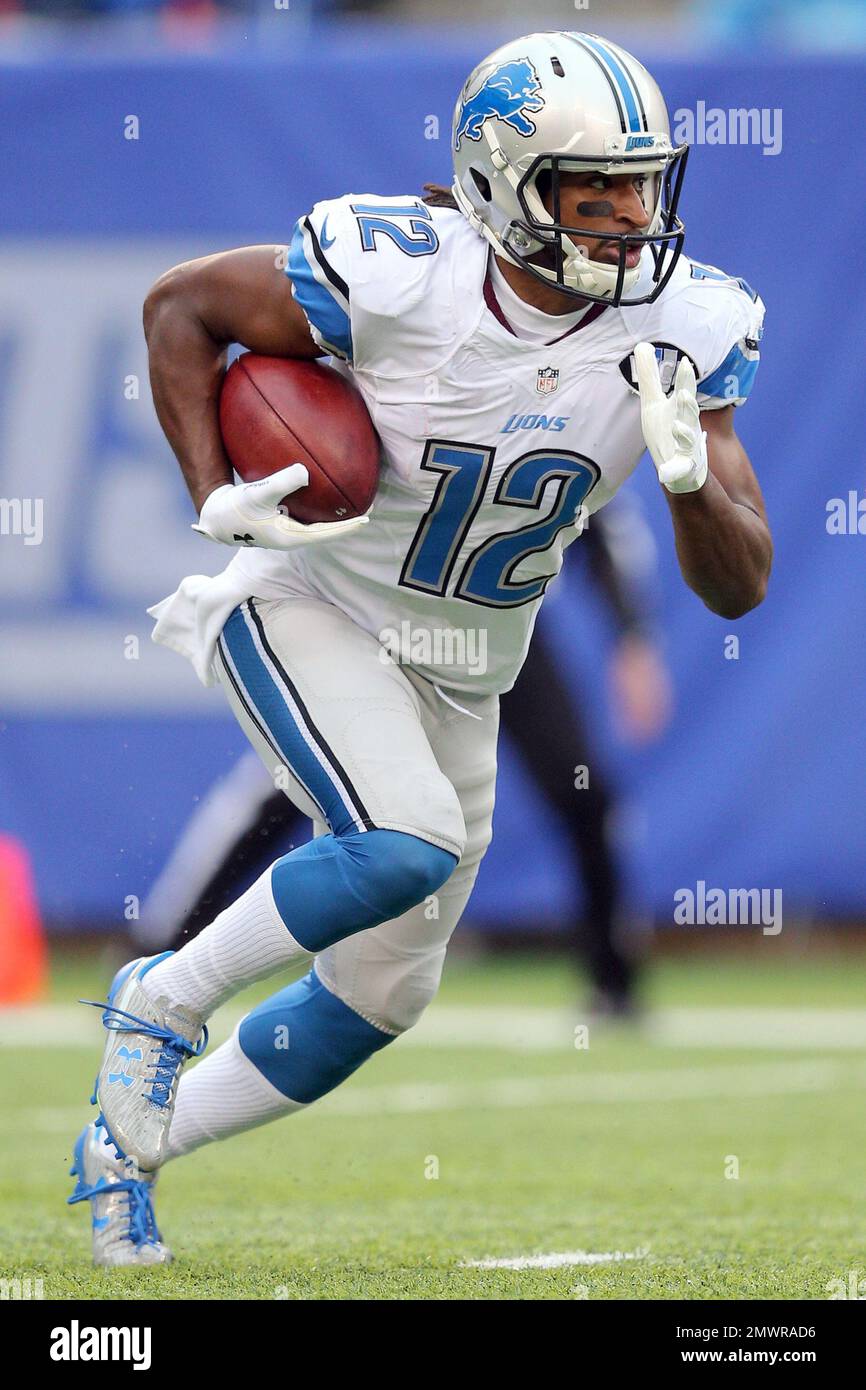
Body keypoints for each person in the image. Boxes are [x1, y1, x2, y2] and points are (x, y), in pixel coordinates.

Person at [67, 30, 771, 1265]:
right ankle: (162, 994)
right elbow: (179, 306)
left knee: (385, 993)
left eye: (639, 184)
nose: (624, 218)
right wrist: (208, 490)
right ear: (504, 184)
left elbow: (739, 583)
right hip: (310, 605)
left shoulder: (687, 323)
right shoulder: (399, 275)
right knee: (404, 844)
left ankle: (129, 1149)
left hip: (469, 659)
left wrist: (685, 488)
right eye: (587, 189)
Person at [135, 502, 671, 1015]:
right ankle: (163, 949)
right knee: (290, 786)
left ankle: (613, 979)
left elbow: (595, 511)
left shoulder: (555, 409)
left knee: (582, 792)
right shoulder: (397, 405)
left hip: (499, 625)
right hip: (381, 611)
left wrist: (632, 636)